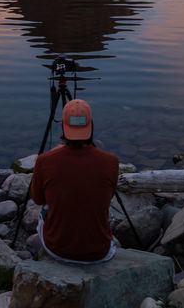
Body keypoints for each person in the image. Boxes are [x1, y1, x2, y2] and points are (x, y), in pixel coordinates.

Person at [28, 97, 120, 263]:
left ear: (63, 126)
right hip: (100, 252)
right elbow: (108, 195)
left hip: (58, 250)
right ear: (91, 126)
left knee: (44, 212)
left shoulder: (45, 161)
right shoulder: (111, 161)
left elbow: (37, 199)